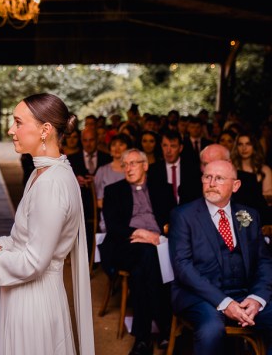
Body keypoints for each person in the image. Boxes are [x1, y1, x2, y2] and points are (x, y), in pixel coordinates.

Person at [0, 93, 94, 355]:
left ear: (45, 130)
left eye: (18, 122)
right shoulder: (44, 172)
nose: (10, 130)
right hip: (27, 294)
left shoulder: (50, 184)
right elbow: (21, 240)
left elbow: (33, 262)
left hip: (35, 302)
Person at [169, 160, 272, 355]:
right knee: (211, 330)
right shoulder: (183, 215)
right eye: (207, 177)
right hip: (200, 296)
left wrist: (256, 298)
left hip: (245, 293)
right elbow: (182, 267)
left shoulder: (249, 214)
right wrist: (225, 303)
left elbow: (264, 260)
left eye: (219, 178)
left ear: (236, 186)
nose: (212, 183)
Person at [100, 149, 176, 355]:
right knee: (146, 256)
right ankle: (165, 326)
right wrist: (141, 232)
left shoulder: (163, 189)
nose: (129, 168)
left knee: (144, 268)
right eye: (125, 164)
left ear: (145, 165)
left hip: (159, 244)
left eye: (134, 163)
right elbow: (113, 226)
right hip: (127, 244)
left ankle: (143, 339)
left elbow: (173, 219)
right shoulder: (113, 191)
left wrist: (162, 233)